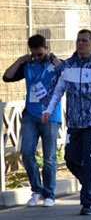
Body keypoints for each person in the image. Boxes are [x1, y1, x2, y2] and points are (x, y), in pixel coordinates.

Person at [41, 29, 91, 216]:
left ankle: (87, 202)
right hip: (75, 123)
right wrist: (47, 110)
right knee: (71, 159)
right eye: (78, 40)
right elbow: (56, 90)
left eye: (84, 41)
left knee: (90, 158)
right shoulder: (66, 66)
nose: (80, 44)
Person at [3, 34, 62, 207]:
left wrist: (53, 58)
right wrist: (21, 59)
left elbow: (65, 72)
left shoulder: (54, 63)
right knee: (27, 153)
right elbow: (7, 76)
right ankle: (37, 190)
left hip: (50, 115)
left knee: (49, 157)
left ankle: (49, 194)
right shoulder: (28, 65)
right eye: (34, 54)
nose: (37, 57)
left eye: (40, 54)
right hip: (30, 115)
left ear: (46, 48)